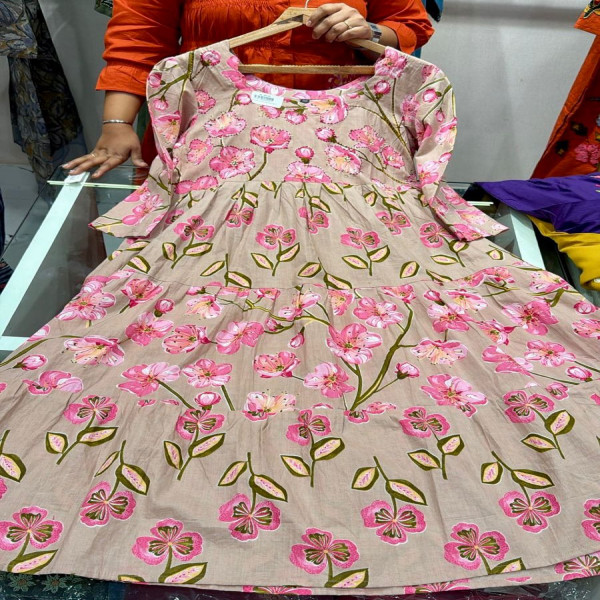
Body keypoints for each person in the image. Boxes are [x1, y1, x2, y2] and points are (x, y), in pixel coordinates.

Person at [63, 0, 434, 178]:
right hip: (206, 139)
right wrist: (117, 124)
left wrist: (368, 32)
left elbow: (408, 26)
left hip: (335, 141)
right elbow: (138, 42)